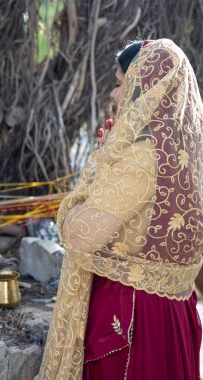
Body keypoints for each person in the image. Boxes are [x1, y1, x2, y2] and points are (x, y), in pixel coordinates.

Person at [35, 38, 203, 380]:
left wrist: (95, 174)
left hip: (133, 321)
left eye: (119, 83)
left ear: (145, 89)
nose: (113, 95)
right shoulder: (187, 160)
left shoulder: (141, 159)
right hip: (175, 315)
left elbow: (80, 236)